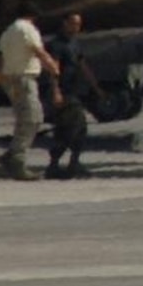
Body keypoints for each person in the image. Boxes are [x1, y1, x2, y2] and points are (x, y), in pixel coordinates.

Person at [0, 1, 59, 180]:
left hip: (11, 79)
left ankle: (12, 155)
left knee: (23, 118)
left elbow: (1, 57)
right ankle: (16, 158)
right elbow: (37, 50)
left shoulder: (8, 31)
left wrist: (3, 80)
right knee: (33, 118)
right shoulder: (27, 29)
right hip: (24, 79)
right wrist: (52, 66)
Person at [43, 12, 96, 179]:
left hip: (74, 92)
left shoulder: (74, 43)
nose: (76, 27)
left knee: (74, 129)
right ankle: (58, 165)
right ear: (64, 23)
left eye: (78, 24)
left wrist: (96, 86)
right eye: (73, 23)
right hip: (64, 93)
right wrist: (56, 91)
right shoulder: (57, 45)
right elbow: (53, 69)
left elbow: (82, 65)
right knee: (74, 127)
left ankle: (71, 163)